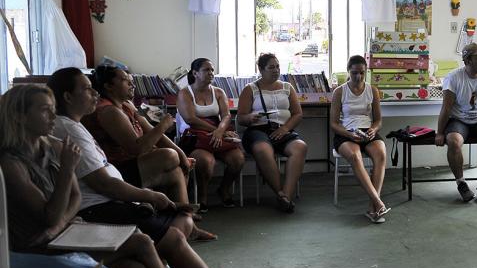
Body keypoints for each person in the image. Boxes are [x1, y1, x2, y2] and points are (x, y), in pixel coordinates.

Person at [47, 68, 274, 268]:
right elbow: (107, 180)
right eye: (87, 89)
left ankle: (182, 227)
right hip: (102, 205)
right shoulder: (81, 124)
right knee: (172, 233)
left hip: (110, 198)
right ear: (68, 97)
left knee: (176, 180)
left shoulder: (80, 123)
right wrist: (150, 195)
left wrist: (177, 154)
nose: (94, 94)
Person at [0, 84, 217, 268]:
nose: (53, 117)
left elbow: (75, 198)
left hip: (59, 233)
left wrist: (62, 224)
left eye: (53, 110)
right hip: (34, 248)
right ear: (20, 116)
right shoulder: (11, 164)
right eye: (45, 111)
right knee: (141, 242)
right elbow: (49, 215)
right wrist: (66, 171)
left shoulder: (52, 145)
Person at [83, 65, 193, 207]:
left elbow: (152, 132)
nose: (132, 85)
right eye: (126, 81)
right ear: (108, 86)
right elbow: (137, 149)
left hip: (135, 164)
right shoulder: (108, 111)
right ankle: (177, 212)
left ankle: (184, 215)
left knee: (176, 171)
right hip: (115, 171)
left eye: (132, 81)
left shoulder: (126, 105)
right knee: (169, 156)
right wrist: (163, 125)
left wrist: (183, 157)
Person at [236, 53, 308, 213]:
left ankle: (286, 196)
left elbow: (298, 114)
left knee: (300, 147)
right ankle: (280, 193)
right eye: (271, 67)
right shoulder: (250, 89)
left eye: (277, 67)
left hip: (283, 129)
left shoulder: (287, 87)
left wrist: (285, 128)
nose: (276, 70)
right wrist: (249, 118)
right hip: (257, 130)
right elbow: (240, 118)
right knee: (262, 149)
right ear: (261, 70)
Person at [435, 43, 477, 202]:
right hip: (459, 120)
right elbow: (446, 108)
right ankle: (461, 183)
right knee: (453, 141)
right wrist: (439, 133)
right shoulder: (453, 77)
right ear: (467, 61)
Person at [176, 58, 244, 211]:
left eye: (212, 70)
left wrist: (220, 131)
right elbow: (190, 119)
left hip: (217, 135)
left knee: (238, 159)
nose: (211, 73)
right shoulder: (185, 93)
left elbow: (226, 115)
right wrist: (217, 131)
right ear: (195, 73)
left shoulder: (219, 92)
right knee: (206, 162)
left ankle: (224, 190)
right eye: (206, 70)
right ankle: (203, 196)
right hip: (197, 138)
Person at [329, 55, 388, 223]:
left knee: (381, 154)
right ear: (348, 71)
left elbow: (378, 120)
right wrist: (349, 134)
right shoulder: (340, 91)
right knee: (355, 156)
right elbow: (333, 123)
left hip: (367, 131)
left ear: (366, 72)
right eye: (354, 73)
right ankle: (378, 202)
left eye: (362, 73)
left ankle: (372, 207)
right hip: (346, 132)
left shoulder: (372, 90)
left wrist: (373, 130)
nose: (358, 76)